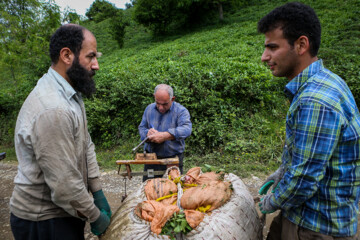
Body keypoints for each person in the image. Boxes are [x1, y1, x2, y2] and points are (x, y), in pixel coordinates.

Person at [257, 2, 360, 239]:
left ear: (301, 44)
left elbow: (303, 181)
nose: (264, 57)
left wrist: (270, 202)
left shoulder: (315, 100)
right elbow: (307, 157)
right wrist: (281, 172)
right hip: (306, 216)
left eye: (272, 47)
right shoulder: (326, 82)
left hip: (314, 226)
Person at [9, 24, 111, 239]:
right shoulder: (53, 107)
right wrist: (95, 216)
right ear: (67, 55)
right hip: (43, 221)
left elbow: (86, 143)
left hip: (64, 212)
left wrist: (97, 190)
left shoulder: (70, 93)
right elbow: (64, 184)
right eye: (91, 57)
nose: (96, 65)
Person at [138, 84, 192, 181]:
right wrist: (147, 133)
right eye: (158, 103)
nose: (161, 108)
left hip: (173, 158)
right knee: (149, 189)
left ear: (173, 99)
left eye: (165, 104)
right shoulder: (149, 109)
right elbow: (142, 128)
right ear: (154, 97)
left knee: (173, 191)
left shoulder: (181, 111)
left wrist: (166, 135)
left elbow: (187, 129)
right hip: (151, 159)